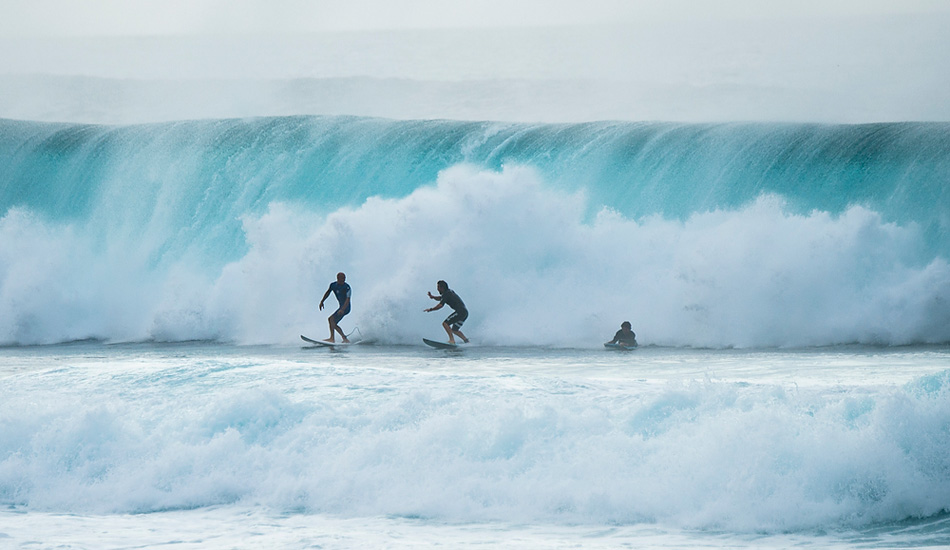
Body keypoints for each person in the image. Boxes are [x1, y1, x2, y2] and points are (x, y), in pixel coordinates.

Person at [424, 280, 469, 344]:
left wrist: (431, 309)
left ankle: (452, 340)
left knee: (445, 324)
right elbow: (441, 298)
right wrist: (433, 297)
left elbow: (440, 305)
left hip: (460, 312)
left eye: (438, 288)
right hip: (465, 312)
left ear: (442, 288)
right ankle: (466, 341)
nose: (437, 289)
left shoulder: (446, 294)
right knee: (454, 330)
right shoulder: (449, 292)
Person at [319, 272, 351, 343]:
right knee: (333, 323)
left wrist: (342, 309)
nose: (344, 280)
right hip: (341, 308)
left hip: (346, 308)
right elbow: (328, 292)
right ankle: (344, 339)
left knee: (331, 319)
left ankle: (332, 339)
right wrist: (322, 301)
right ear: (338, 278)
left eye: (344, 278)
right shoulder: (333, 285)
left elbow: (348, 299)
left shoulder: (347, 287)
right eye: (342, 278)